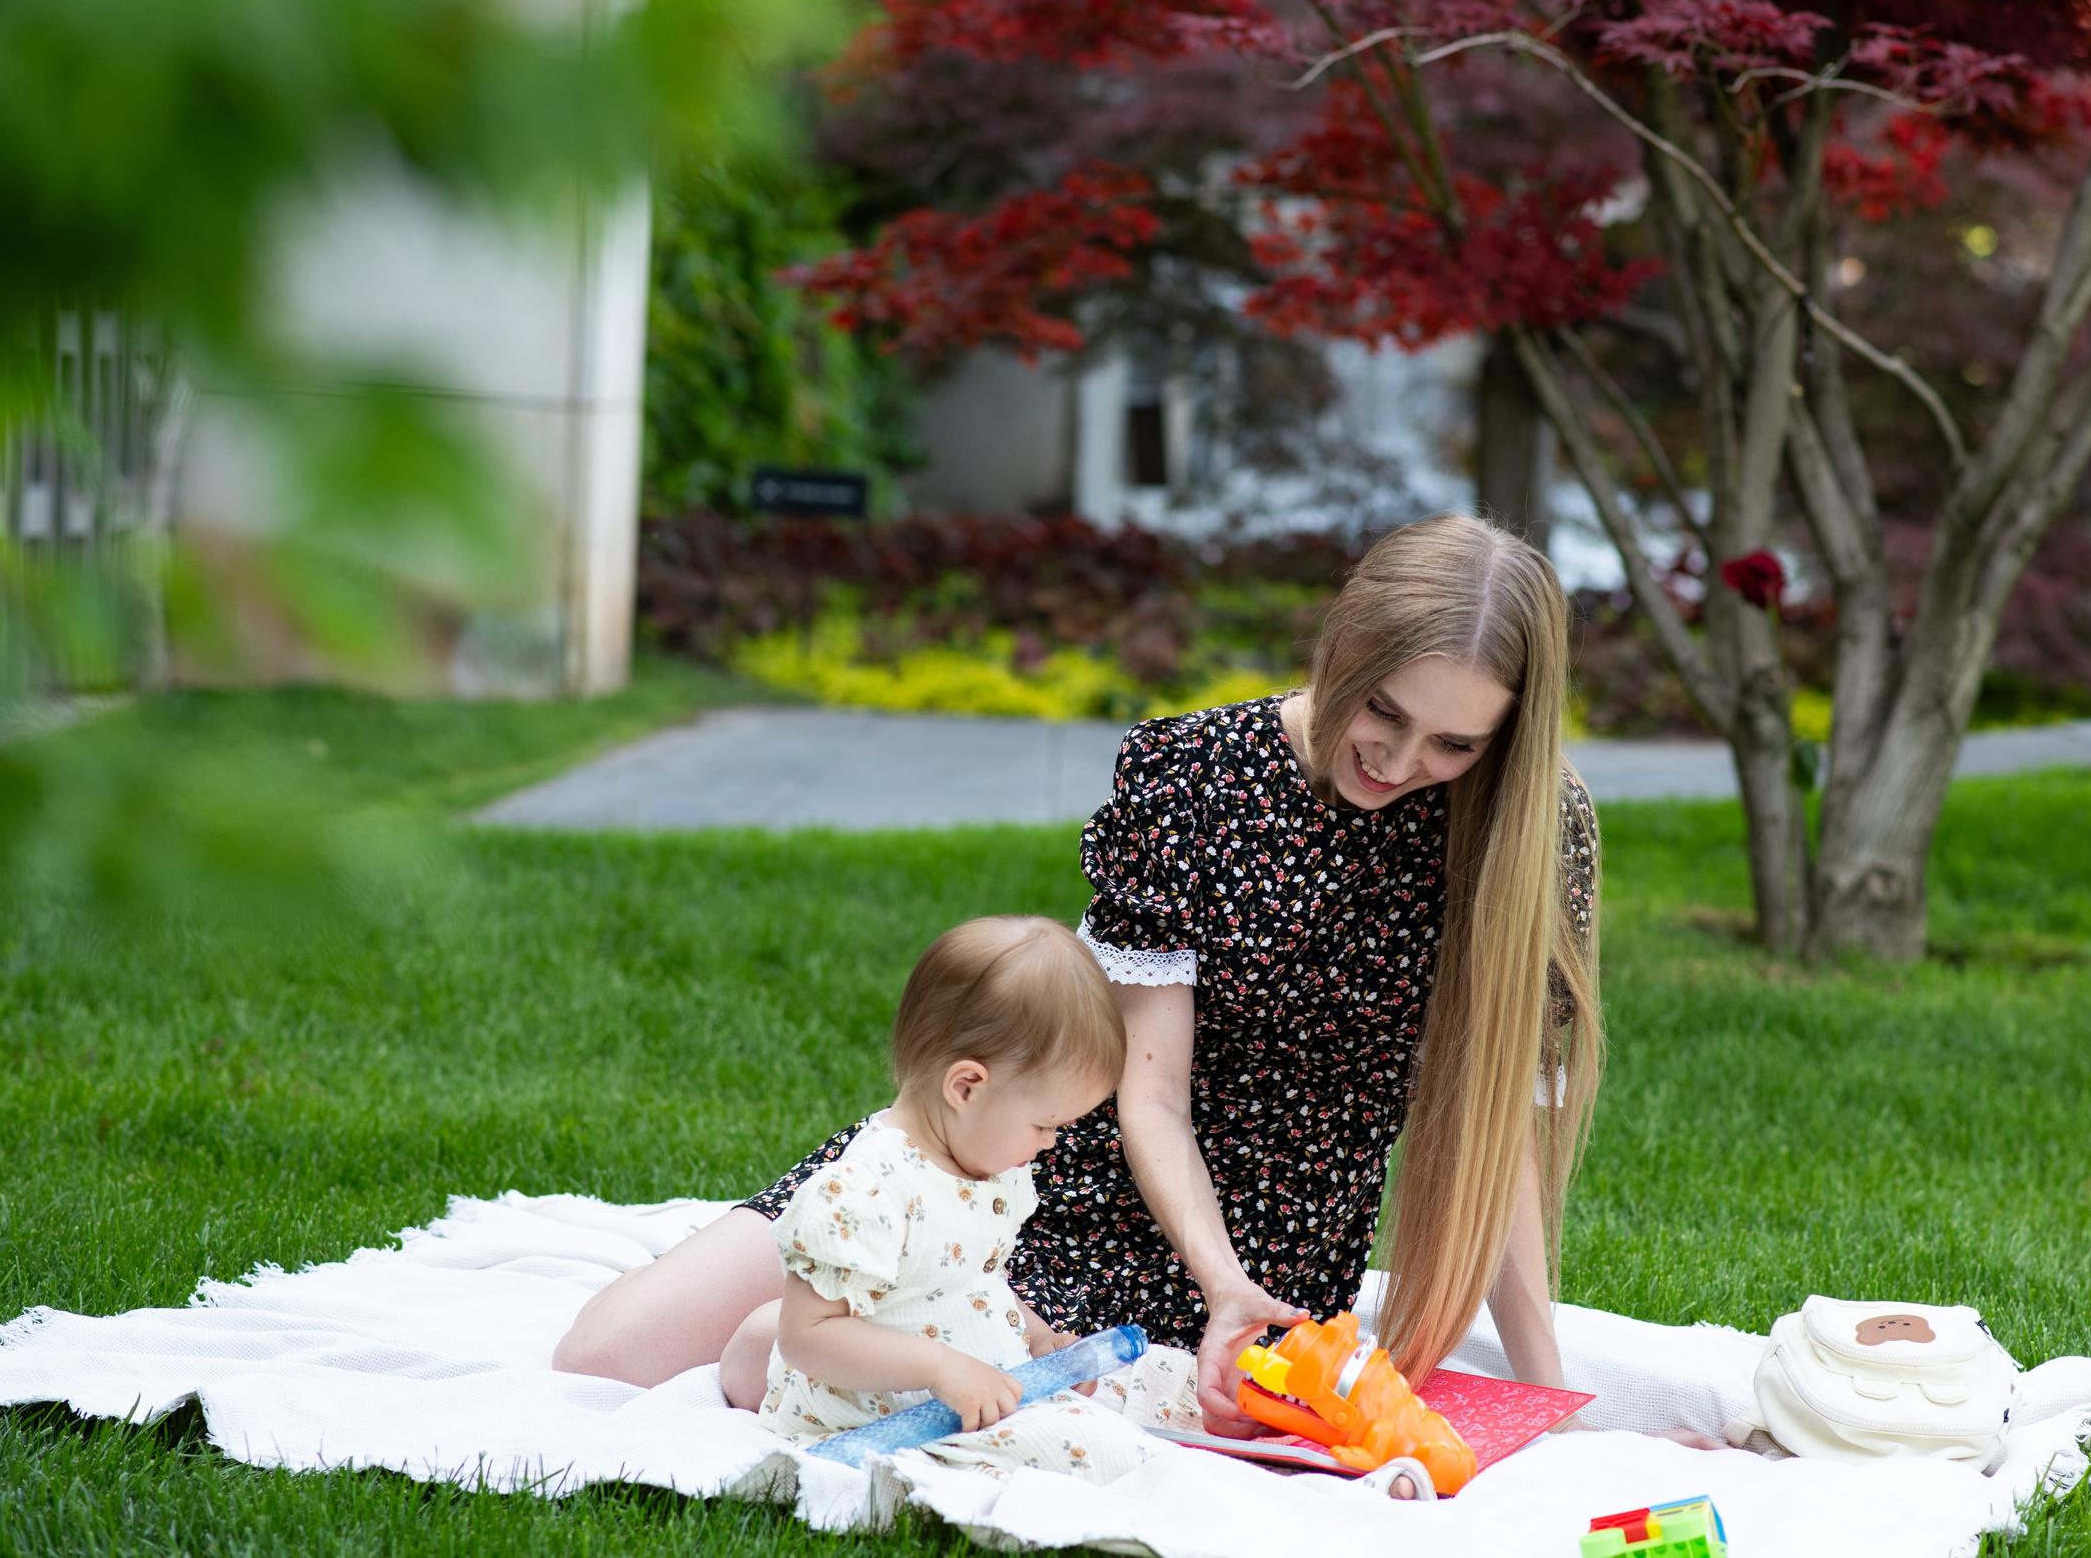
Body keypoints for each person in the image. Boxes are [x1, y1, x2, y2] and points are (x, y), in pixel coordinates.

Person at [556, 513, 1602, 1444]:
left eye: (1454, 741)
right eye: (1382, 709)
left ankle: (862, 1341)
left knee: (767, 1354)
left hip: (1237, 1261)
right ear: (1342, 643)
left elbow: (1495, 1131)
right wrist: (1221, 1275)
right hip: (1038, 1157)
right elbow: (1151, 1089)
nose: (1402, 759)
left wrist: (1545, 1393)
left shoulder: (1528, 829)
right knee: (604, 1355)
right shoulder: (1192, 774)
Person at [755, 913, 1196, 1483]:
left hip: (967, 1383)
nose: (1051, 1143)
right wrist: (941, 1368)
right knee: (1083, 1450)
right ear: (966, 1087)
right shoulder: (867, 1191)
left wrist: (1037, 1336)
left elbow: (972, 1286)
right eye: (1044, 1124)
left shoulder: (986, 1170)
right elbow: (805, 1337)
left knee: (1122, 1419)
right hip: (884, 1404)